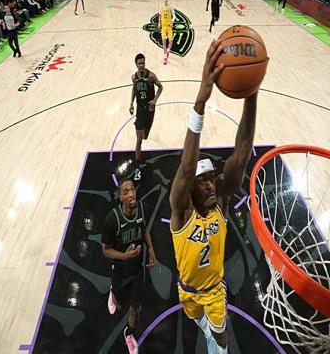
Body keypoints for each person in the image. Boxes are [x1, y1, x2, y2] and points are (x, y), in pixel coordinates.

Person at [169, 39, 259, 354]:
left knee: (220, 339)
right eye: (202, 182)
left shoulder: (220, 200)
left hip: (213, 291)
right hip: (186, 290)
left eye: (211, 179)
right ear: (191, 188)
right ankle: (208, 330)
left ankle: (218, 344)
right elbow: (186, 167)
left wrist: (251, 93)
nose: (209, 185)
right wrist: (200, 102)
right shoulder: (181, 211)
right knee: (198, 321)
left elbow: (242, 153)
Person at [102, 167, 158, 354]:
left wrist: (151, 249)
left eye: (133, 189)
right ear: (120, 197)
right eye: (126, 192)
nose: (131, 194)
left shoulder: (141, 208)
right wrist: (124, 256)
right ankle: (113, 291)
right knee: (119, 305)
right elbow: (106, 250)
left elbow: (144, 229)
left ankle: (129, 334)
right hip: (119, 269)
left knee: (135, 308)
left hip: (136, 269)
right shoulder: (112, 220)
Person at [129, 53, 163, 165]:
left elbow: (160, 87)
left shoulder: (151, 76)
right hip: (140, 110)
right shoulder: (134, 77)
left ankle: (144, 132)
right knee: (139, 140)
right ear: (136, 64)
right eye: (139, 63)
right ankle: (137, 164)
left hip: (150, 109)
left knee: (145, 136)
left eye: (143, 63)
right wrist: (131, 103)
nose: (141, 65)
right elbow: (134, 90)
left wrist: (155, 100)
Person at [158, 0, 175, 65]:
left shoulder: (170, 6)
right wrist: (159, 22)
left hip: (169, 26)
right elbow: (159, 15)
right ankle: (165, 56)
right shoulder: (161, 6)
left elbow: (174, 16)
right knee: (164, 42)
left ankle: (168, 50)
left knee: (171, 42)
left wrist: (172, 21)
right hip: (164, 26)